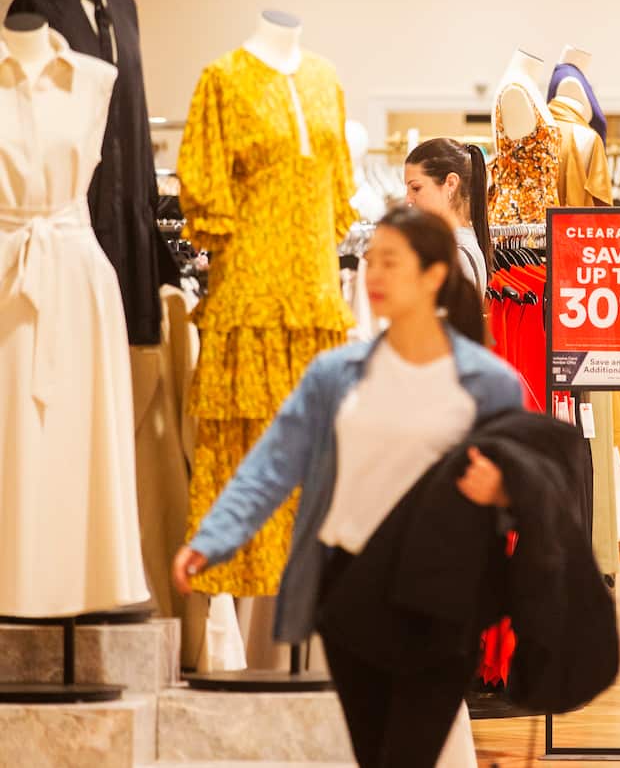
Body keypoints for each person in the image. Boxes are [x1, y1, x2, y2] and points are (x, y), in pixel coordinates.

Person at [171, 206, 524, 766]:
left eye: (391, 261)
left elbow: (527, 487)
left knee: (406, 754)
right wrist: (211, 539)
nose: (375, 275)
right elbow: (273, 463)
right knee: (372, 753)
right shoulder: (336, 374)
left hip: (443, 598)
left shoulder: (490, 382)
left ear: (434, 274)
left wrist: (502, 490)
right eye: (371, 260)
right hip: (351, 590)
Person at [404, 137, 493, 295]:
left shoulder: (456, 253)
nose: (408, 199)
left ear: (451, 183)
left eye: (416, 188)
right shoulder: (456, 246)